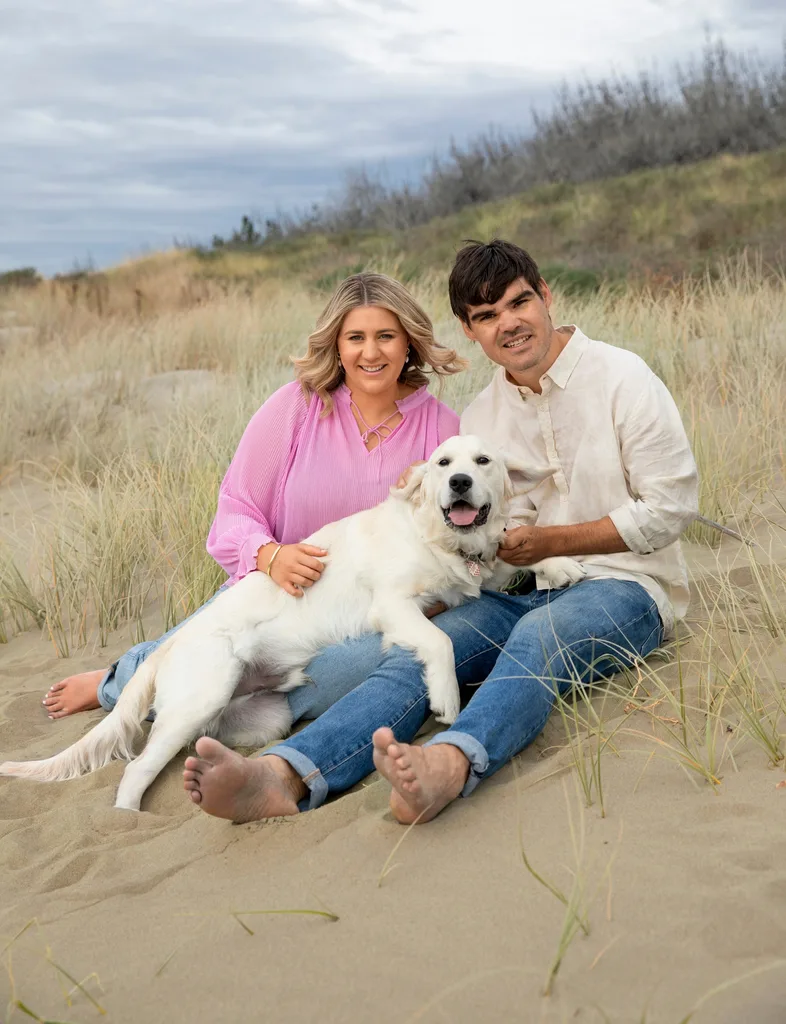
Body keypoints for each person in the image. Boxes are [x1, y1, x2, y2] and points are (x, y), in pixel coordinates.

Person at [182, 239, 699, 826]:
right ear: (469, 329)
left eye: (518, 302)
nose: (509, 323)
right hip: (516, 585)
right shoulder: (479, 421)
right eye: (486, 316)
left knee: (540, 638)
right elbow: (474, 531)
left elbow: (670, 509)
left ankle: (450, 765)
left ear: (545, 296)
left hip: (624, 585)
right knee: (415, 653)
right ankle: (283, 775)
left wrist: (550, 545)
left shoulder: (624, 378)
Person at [42, 273, 465, 725]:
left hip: (366, 612)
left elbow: (454, 531)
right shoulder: (297, 406)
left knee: (350, 671)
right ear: (336, 347)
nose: (371, 352)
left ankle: (251, 716)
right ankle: (121, 679)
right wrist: (270, 555)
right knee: (209, 651)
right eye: (355, 337)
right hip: (276, 595)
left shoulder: (440, 429)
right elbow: (238, 506)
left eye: (386, 336)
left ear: (409, 343)